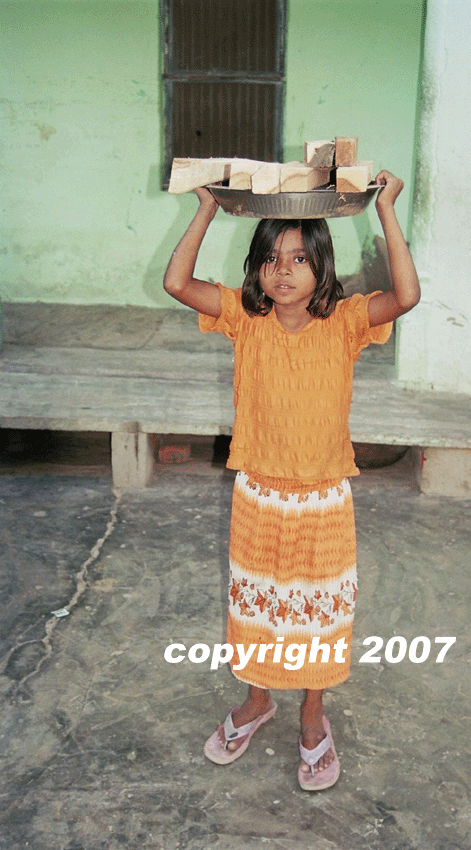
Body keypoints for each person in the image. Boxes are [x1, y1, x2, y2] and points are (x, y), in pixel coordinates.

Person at [163, 170, 420, 791]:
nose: (284, 271)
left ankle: (312, 713)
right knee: (259, 605)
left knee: (318, 615)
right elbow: (176, 283)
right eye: (272, 259)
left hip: (324, 500)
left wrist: (384, 208)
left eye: (300, 258)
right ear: (255, 270)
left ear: (321, 267)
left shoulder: (349, 321)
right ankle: (257, 701)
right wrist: (205, 208)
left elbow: (407, 295)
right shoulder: (242, 319)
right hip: (259, 496)